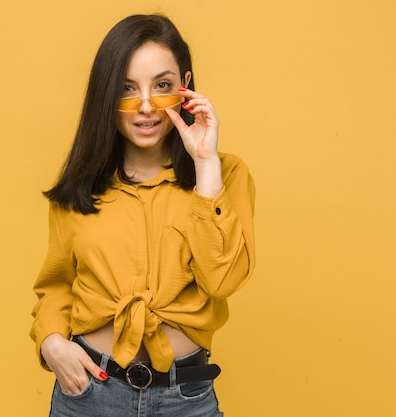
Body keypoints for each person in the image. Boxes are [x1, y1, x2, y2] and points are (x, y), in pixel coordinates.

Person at [30, 14, 256, 417]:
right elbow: (58, 285)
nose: (147, 106)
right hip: (89, 394)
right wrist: (50, 342)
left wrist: (204, 164)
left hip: (185, 398)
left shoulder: (225, 176)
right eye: (127, 89)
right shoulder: (79, 186)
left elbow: (221, 280)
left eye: (163, 86)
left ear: (185, 85)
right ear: (105, 95)